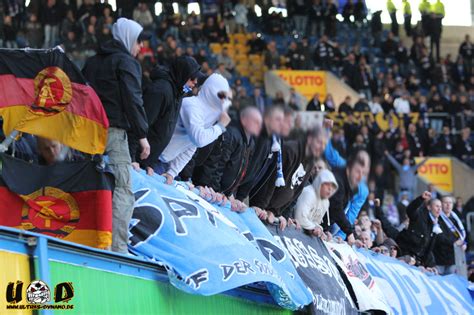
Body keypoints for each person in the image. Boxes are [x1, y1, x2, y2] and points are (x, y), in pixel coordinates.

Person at [82, 18, 150, 253]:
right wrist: (142, 135)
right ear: (129, 37)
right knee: (122, 188)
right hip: (113, 133)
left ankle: (84, 237)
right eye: (139, 40)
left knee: (88, 184)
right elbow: (133, 99)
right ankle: (116, 249)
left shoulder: (91, 62)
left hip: (86, 133)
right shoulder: (126, 63)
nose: (141, 46)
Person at [157, 74, 232, 183]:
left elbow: (191, 146)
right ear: (211, 91)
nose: (224, 101)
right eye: (222, 95)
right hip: (153, 157)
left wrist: (172, 172)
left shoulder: (211, 114)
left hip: (165, 162)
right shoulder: (192, 106)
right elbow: (199, 139)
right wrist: (220, 127)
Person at [138, 56, 203, 173]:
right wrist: (133, 158)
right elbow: (141, 123)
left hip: (147, 160)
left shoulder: (178, 93)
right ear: (182, 74)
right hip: (137, 157)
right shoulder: (161, 90)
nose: (195, 82)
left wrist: (150, 163)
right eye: (192, 78)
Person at [192, 107, 262, 198]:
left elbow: (240, 171)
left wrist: (230, 194)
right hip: (210, 190)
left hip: (223, 194)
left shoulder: (250, 142)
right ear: (244, 120)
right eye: (256, 122)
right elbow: (218, 165)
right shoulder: (231, 134)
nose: (259, 126)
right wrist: (215, 190)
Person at [327, 153, 366, 244]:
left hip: (327, 225)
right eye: (357, 172)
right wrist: (349, 232)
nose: (360, 176)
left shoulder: (352, 186)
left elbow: (349, 213)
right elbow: (336, 209)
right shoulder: (338, 181)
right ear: (349, 169)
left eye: (362, 173)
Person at [397, 192, 442, 267]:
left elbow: (428, 249)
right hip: (405, 255)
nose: (439, 209)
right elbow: (410, 210)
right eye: (437, 206)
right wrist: (421, 199)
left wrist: (428, 265)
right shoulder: (420, 216)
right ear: (429, 207)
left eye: (440, 207)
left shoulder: (436, 224)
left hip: (417, 261)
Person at [294, 169, 338, 237]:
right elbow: (299, 218)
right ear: (320, 182)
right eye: (327, 185)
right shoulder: (309, 193)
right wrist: (314, 228)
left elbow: (316, 221)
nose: (330, 189)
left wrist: (320, 230)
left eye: (333, 187)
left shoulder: (326, 202)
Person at [434, 196, 467, 275]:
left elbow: (459, 235)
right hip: (440, 258)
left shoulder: (455, 218)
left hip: (453, 257)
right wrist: (455, 243)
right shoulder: (437, 218)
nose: (448, 205)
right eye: (446, 203)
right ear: (441, 204)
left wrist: (463, 242)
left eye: (450, 203)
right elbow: (439, 237)